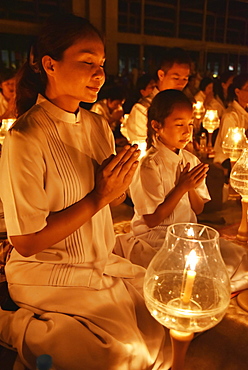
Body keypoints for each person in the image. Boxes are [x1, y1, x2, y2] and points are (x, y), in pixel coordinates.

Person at [0, 13, 171, 370]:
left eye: (103, 64)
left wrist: (118, 185)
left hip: (98, 258)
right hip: (46, 270)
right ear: (50, 64)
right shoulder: (25, 137)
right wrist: (98, 197)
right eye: (87, 62)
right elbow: (26, 242)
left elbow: (113, 201)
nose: (100, 74)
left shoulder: (96, 125)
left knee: (161, 318)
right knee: (118, 355)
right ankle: (12, 325)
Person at [129, 90, 210, 251]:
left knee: (234, 259)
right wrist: (181, 188)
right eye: (179, 124)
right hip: (155, 238)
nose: (187, 132)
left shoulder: (191, 160)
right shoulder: (149, 165)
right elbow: (152, 220)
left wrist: (191, 186)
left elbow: (198, 209)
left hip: (187, 234)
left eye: (190, 124)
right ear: (156, 126)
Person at [125, 48, 191, 143]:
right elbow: (140, 148)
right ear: (161, 75)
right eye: (176, 78)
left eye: (185, 79)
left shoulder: (183, 105)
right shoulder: (143, 109)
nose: (181, 84)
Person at [213, 73, 248, 180]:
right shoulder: (230, 116)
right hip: (227, 161)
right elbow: (230, 147)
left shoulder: (245, 112)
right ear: (237, 91)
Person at [90, 85, 129, 150]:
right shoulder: (99, 107)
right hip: (97, 137)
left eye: (121, 104)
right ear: (109, 100)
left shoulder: (118, 109)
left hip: (111, 135)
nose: (118, 106)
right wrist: (113, 118)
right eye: (116, 104)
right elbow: (97, 127)